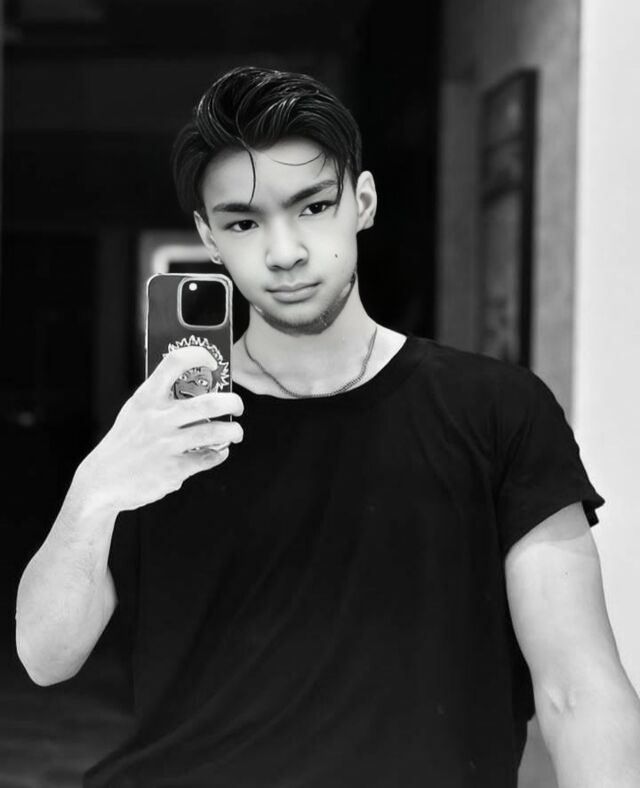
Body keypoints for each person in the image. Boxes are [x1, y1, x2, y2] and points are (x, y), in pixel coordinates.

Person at [14, 66, 640, 788]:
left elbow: (578, 691)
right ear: (209, 238)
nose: (283, 252)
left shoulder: (497, 409)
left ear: (362, 202)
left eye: (312, 207)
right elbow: (45, 657)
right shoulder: (171, 425)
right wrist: (94, 490)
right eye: (244, 223)